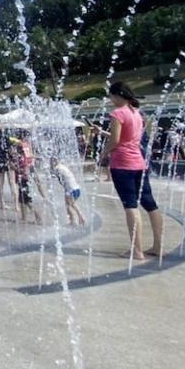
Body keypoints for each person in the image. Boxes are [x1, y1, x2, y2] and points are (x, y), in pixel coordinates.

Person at [97, 82, 163, 261]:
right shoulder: (136, 113)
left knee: (130, 206)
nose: (110, 100)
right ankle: (157, 246)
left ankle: (137, 250)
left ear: (118, 95)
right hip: (139, 164)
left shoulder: (117, 113)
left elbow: (116, 141)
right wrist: (103, 133)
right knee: (151, 204)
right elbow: (128, 137)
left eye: (111, 96)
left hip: (122, 165)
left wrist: (104, 152)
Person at [50, 157, 86, 226]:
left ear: (53, 162)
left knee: (68, 205)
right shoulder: (62, 166)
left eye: (51, 162)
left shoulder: (57, 169)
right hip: (76, 188)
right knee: (72, 204)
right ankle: (80, 217)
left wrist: (51, 168)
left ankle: (73, 220)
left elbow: (53, 176)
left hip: (70, 190)